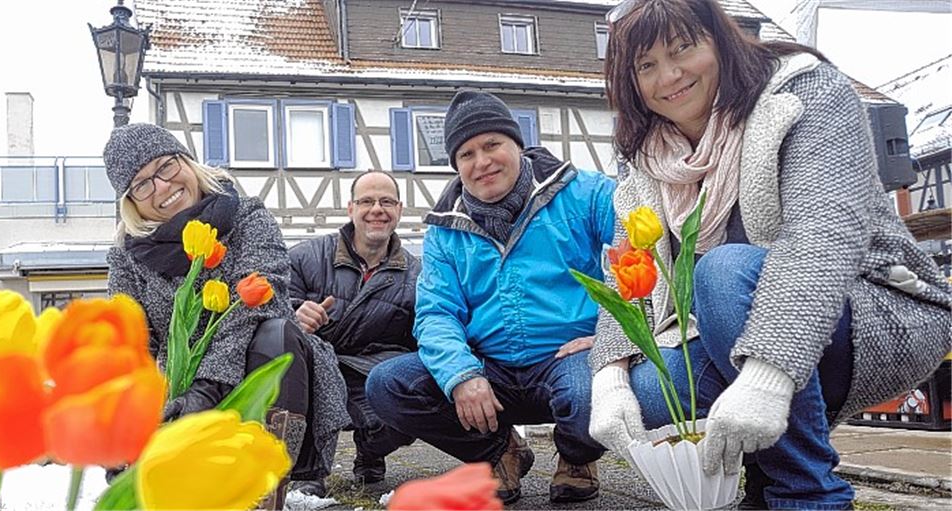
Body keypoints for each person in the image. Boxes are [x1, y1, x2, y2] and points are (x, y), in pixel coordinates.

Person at [588, 1, 952, 509]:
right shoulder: (647, 155)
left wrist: (766, 378)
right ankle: (762, 480)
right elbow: (628, 270)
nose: (668, 76)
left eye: (682, 48)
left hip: (874, 311)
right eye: (645, 65)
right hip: (732, 326)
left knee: (722, 270)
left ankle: (807, 492)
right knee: (649, 389)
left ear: (719, 38)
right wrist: (607, 380)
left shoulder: (806, 92)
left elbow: (821, 232)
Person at [366, 91, 617, 504]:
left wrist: (611, 333)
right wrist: (461, 374)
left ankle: (577, 456)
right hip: (490, 367)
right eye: (466, 154)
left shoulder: (585, 193)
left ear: (517, 144)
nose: (481, 162)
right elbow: (436, 313)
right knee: (390, 384)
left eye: (491, 145)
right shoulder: (446, 230)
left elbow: (647, 252)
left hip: (567, 357)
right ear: (456, 165)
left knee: (591, 390)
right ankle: (500, 451)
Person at [103, 123, 350, 493]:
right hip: (175, 396)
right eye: (142, 184)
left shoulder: (248, 218)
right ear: (131, 202)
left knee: (276, 333)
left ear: (187, 161)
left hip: (256, 372)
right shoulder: (127, 257)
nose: (162, 187)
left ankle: (266, 483)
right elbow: (131, 341)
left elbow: (258, 304)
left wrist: (205, 391)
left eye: (165, 166)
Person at [286, 170, 418, 492]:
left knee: (409, 404)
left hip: (371, 370)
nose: (377, 209)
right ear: (350, 208)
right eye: (367, 201)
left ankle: (370, 450)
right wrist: (294, 312)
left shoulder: (417, 274)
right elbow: (267, 304)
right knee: (295, 363)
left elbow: (421, 337)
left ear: (399, 209)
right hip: (315, 367)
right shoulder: (306, 257)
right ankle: (307, 474)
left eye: (386, 201)